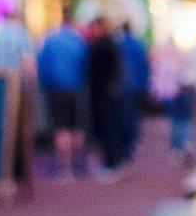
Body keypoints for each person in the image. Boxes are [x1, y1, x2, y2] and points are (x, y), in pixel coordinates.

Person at [37, 16, 89, 178]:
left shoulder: (50, 41)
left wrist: (45, 86)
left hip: (56, 89)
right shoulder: (78, 41)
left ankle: (63, 166)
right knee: (77, 127)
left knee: (61, 128)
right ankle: (78, 164)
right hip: (77, 88)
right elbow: (86, 64)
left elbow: (42, 66)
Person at [84, 16, 128, 180]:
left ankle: (111, 163)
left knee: (109, 128)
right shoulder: (110, 44)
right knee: (111, 128)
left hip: (105, 94)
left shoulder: (103, 45)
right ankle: (113, 160)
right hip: (109, 92)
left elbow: (94, 69)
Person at [150, 37, 196, 160]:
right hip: (183, 90)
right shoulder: (180, 57)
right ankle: (185, 143)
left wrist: (157, 92)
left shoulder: (164, 59)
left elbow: (158, 77)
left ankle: (178, 146)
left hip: (174, 92)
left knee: (177, 120)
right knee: (185, 119)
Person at [118, 25, 150, 163]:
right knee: (134, 115)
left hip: (125, 86)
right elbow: (144, 65)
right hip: (136, 85)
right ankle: (131, 141)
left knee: (126, 116)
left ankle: (127, 143)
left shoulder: (120, 44)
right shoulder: (138, 44)